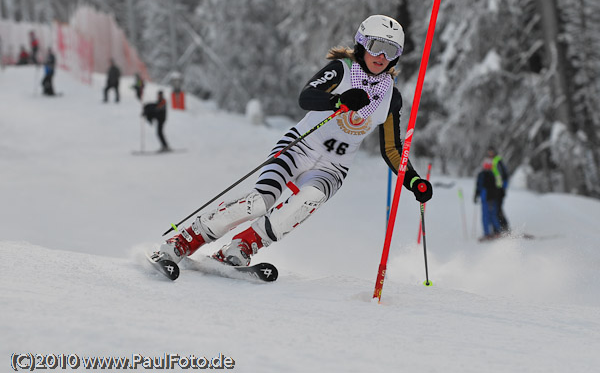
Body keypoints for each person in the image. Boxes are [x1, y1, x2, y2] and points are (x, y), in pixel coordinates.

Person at [151, 14, 433, 267]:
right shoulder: (342, 70)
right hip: (298, 147)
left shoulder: (390, 97)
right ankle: (185, 240)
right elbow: (306, 97)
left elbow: (392, 150)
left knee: (309, 199)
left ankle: (243, 246)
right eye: (375, 46)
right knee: (260, 202)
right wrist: (338, 101)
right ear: (361, 44)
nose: (381, 56)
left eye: (391, 50)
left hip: (332, 169)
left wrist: (414, 181)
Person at [474, 158, 503, 240]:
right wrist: (476, 195)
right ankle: (489, 233)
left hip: (490, 198)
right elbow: (478, 186)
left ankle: (495, 231)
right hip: (486, 197)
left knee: (491, 215)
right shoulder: (483, 174)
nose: (487, 167)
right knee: (487, 215)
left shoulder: (492, 175)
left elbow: (497, 188)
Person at [486, 146, 510, 232]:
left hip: (500, 189)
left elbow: (505, 174)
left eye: (491, 151)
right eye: (489, 151)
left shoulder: (497, 160)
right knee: (495, 209)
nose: (490, 153)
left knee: (498, 209)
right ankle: (498, 228)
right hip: (493, 190)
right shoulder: (489, 161)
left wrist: (504, 187)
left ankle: (505, 228)